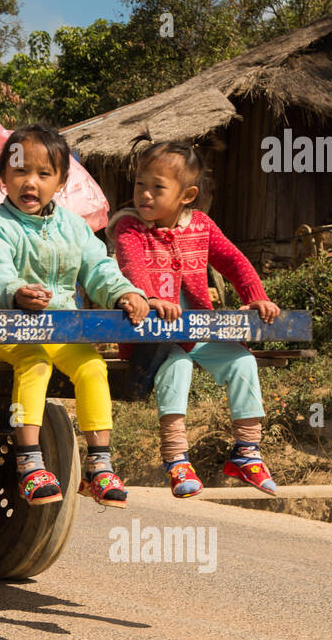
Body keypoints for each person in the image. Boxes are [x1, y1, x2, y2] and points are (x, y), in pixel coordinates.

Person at [0, 125, 149, 509]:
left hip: (63, 331)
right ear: (4, 177)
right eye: (20, 172)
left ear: (61, 181)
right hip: (9, 333)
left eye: (43, 173)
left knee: (92, 367)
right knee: (34, 362)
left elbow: (98, 267)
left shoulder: (73, 227)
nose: (30, 182)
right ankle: (29, 462)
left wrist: (124, 292)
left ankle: (99, 465)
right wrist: (14, 293)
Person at [111, 140, 281, 498]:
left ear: (186, 195)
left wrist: (257, 297)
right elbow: (131, 264)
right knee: (179, 368)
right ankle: (176, 459)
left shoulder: (201, 226)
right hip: (153, 337)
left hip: (199, 330)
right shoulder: (130, 227)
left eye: (158, 187)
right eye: (141, 184)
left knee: (242, 361)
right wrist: (150, 296)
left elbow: (234, 261)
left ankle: (246, 453)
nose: (145, 195)